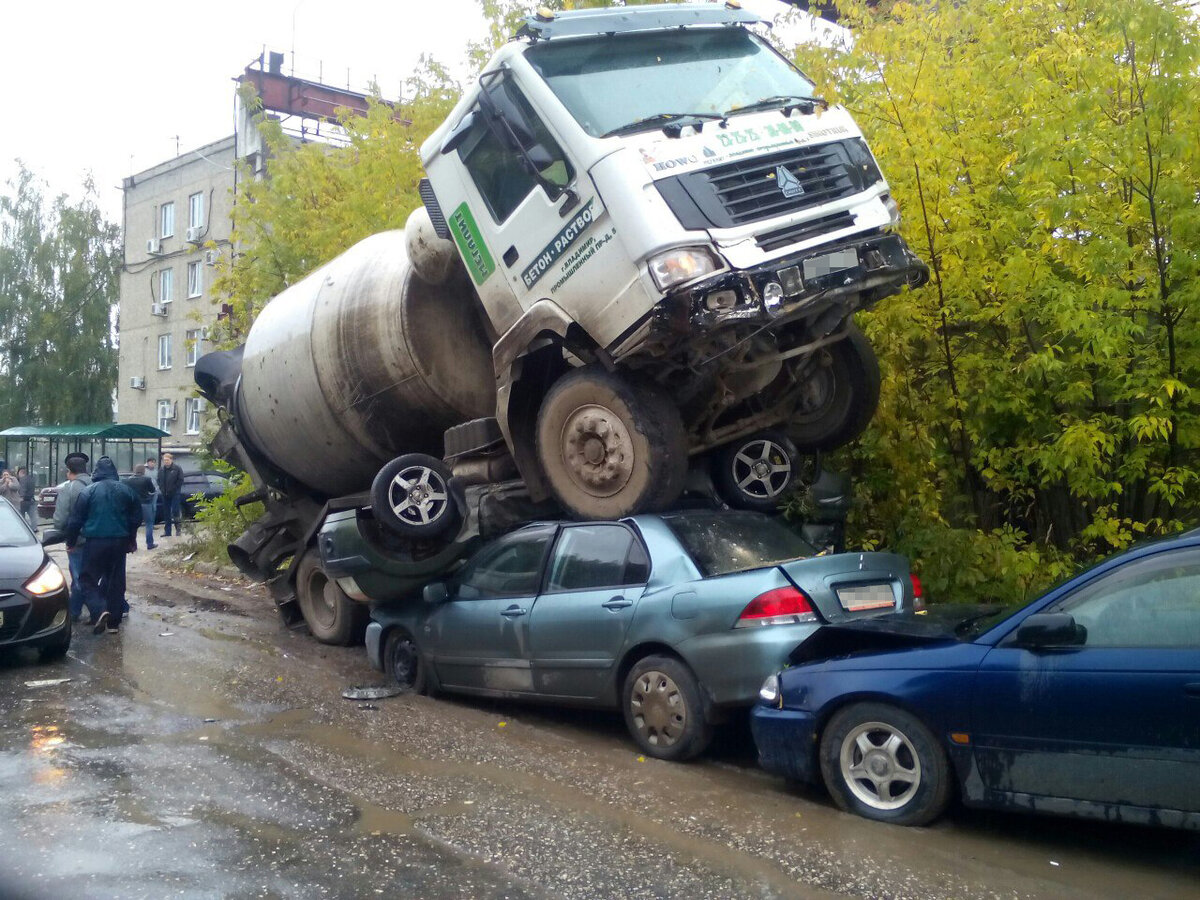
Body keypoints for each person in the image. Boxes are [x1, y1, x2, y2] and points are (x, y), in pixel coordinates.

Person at [65, 456, 141, 635]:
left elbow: (75, 520)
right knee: (116, 581)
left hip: (95, 542)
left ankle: (99, 610)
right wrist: (131, 539)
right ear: (114, 472)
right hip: (120, 542)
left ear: (96, 473)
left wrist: (70, 542)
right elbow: (136, 518)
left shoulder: (89, 491)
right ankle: (113, 624)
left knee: (86, 579)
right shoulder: (126, 490)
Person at [54, 453, 95, 621]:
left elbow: (60, 519)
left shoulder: (69, 488)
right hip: (97, 540)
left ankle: (97, 611)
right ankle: (75, 610)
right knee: (93, 575)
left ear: (69, 471)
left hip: (76, 541)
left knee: (79, 578)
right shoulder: (96, 484)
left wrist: (60, 531)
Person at [127, 464, 158, 549]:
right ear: (143, 471)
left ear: (135, 470)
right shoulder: (147, 479)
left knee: (134, 525)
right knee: (149, 524)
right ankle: (149, 544)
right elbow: (152, 491)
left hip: (134, 505)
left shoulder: (128, 480)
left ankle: (133, 545)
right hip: (145, 503)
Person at [157, 452, 184, 537]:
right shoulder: (161, 469)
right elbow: (158, 480)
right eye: (164, 460)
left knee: (176, 512)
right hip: (165, 494)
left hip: (175, 494)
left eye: (167, 460)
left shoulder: (177, 468)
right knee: (166, 513)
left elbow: (180, 480)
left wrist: (174, 489)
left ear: (171, 460)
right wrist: (162, 489)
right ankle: (167, 532)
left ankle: (178, 530)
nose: (166, 462)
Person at [17, 466, 37, 531]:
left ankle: (23, 529)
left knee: (21, 516)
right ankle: (34, 528)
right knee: (33, 516)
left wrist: (21, 498)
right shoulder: (32, 479)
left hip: (24, 501)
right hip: (31, 500)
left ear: (20, 472)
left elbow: (23, 489)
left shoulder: (23, 479)